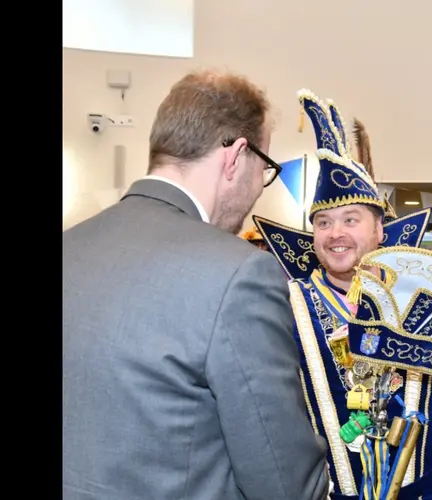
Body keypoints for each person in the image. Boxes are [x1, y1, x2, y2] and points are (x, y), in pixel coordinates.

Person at [63, 71, 330, 500]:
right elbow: (285, 484)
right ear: (237, 156)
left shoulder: (70, 247)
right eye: (265, 170)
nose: (258, 191)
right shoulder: (239, 274)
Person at [255, 90, 432, 499]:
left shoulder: (430, 300)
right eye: (324, 222)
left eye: (351, 219)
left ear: (380, 230)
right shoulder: (283, 306)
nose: (336, 233)